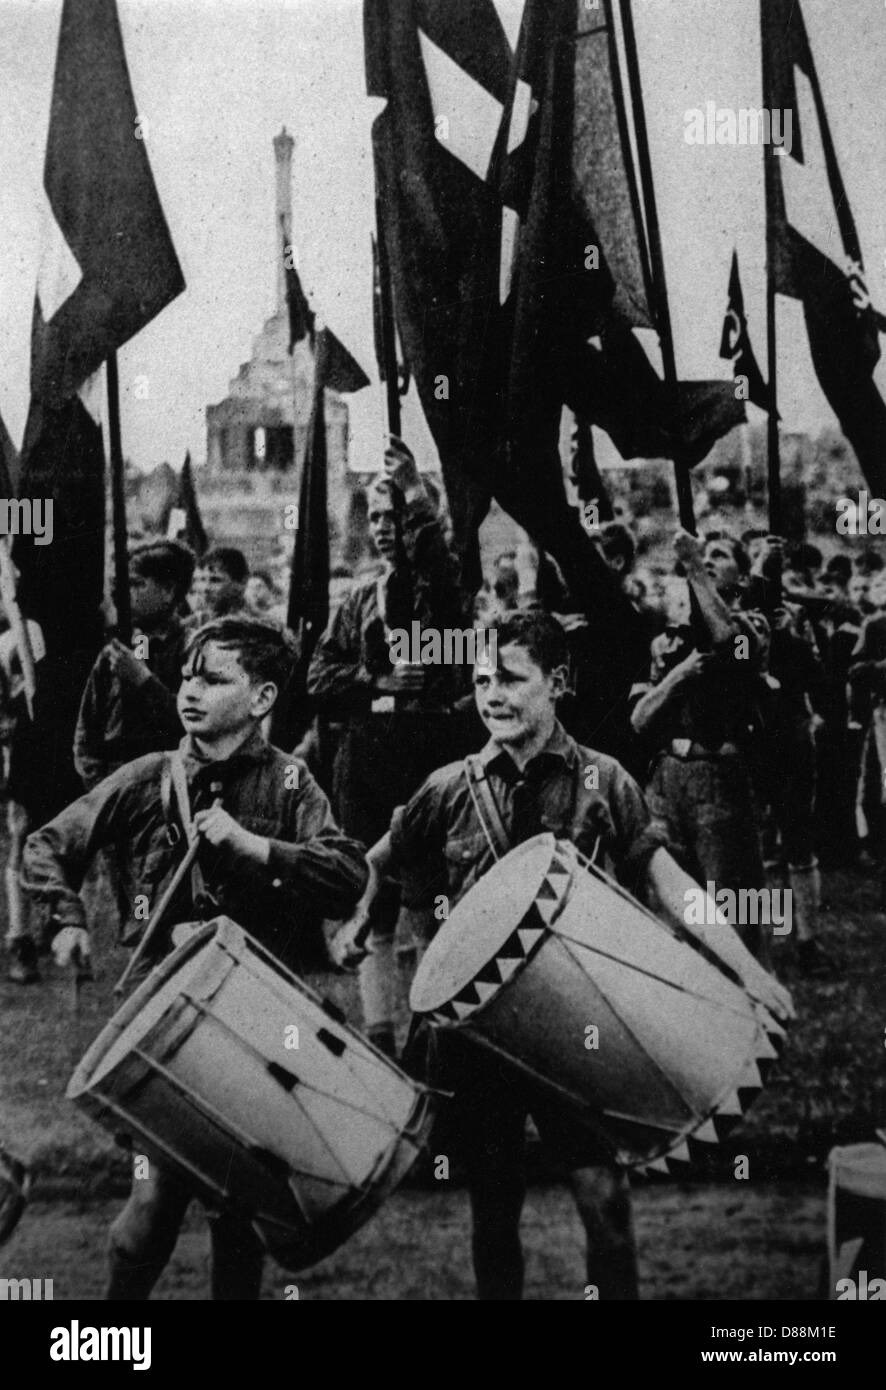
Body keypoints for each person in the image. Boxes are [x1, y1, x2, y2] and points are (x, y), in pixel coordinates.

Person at [332, 609, 792, 1301]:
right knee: (493, 1213)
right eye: (484, 679)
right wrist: (356, 916)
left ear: (558, 683)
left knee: (605, 1205)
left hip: (581, 1031)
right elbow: (372, 860)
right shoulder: (448, 788)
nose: (493, 695)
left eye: (513, 679)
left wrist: (750, 972)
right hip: (483, 1041)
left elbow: (670, 883)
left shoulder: (604, 781)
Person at [21, 617, 368, 1300]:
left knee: (239, 1213)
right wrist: (65, 919)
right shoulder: (149, 776)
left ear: (263, 698)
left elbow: (347, 876)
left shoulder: (294, 785)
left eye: (214, 678)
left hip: (257, 1019)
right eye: (186, 674)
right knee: (151, 1206)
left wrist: (256, 846)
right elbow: (47, 844)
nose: (189, 690)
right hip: (161, 1016)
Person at [307, 435, 472, 1055]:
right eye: (375, 517)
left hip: (427, 754)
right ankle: (379, 1034)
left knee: (430, 902)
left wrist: (415, 496)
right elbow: (319, 678)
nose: (383, 529)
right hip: (367, 757)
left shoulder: (439, 596)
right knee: (367, 901)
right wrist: (371, 680)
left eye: (394, 516)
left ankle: (434, 1036)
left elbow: (439, 574)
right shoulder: (356, 602)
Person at [631, 532, 773, 964]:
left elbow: (731, 642)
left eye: (720, 555)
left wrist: (693, 564)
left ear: (741, 572)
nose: (709, 560)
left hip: (719, 778)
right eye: (703, 554)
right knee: (680, 910)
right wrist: (679, 677)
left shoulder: (752, 625)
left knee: (731, 910)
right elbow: (639, 719)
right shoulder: (667, 641)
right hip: (668, 780)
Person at [74, 541, 196, 791]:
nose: (127, 594)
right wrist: (98, 782)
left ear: (169, 591)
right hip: (110, 787)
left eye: (138, 584)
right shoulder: (118, 649)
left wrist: (143, 680)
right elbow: (87, 728)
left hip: (164, 786)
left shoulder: (191, 648)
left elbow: (192, 721)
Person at [188, 547, 250, 625]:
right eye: (202, 580)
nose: (205, 588)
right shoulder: (191, 625)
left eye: (215, 580)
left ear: (241, 583)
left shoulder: (258, 626)